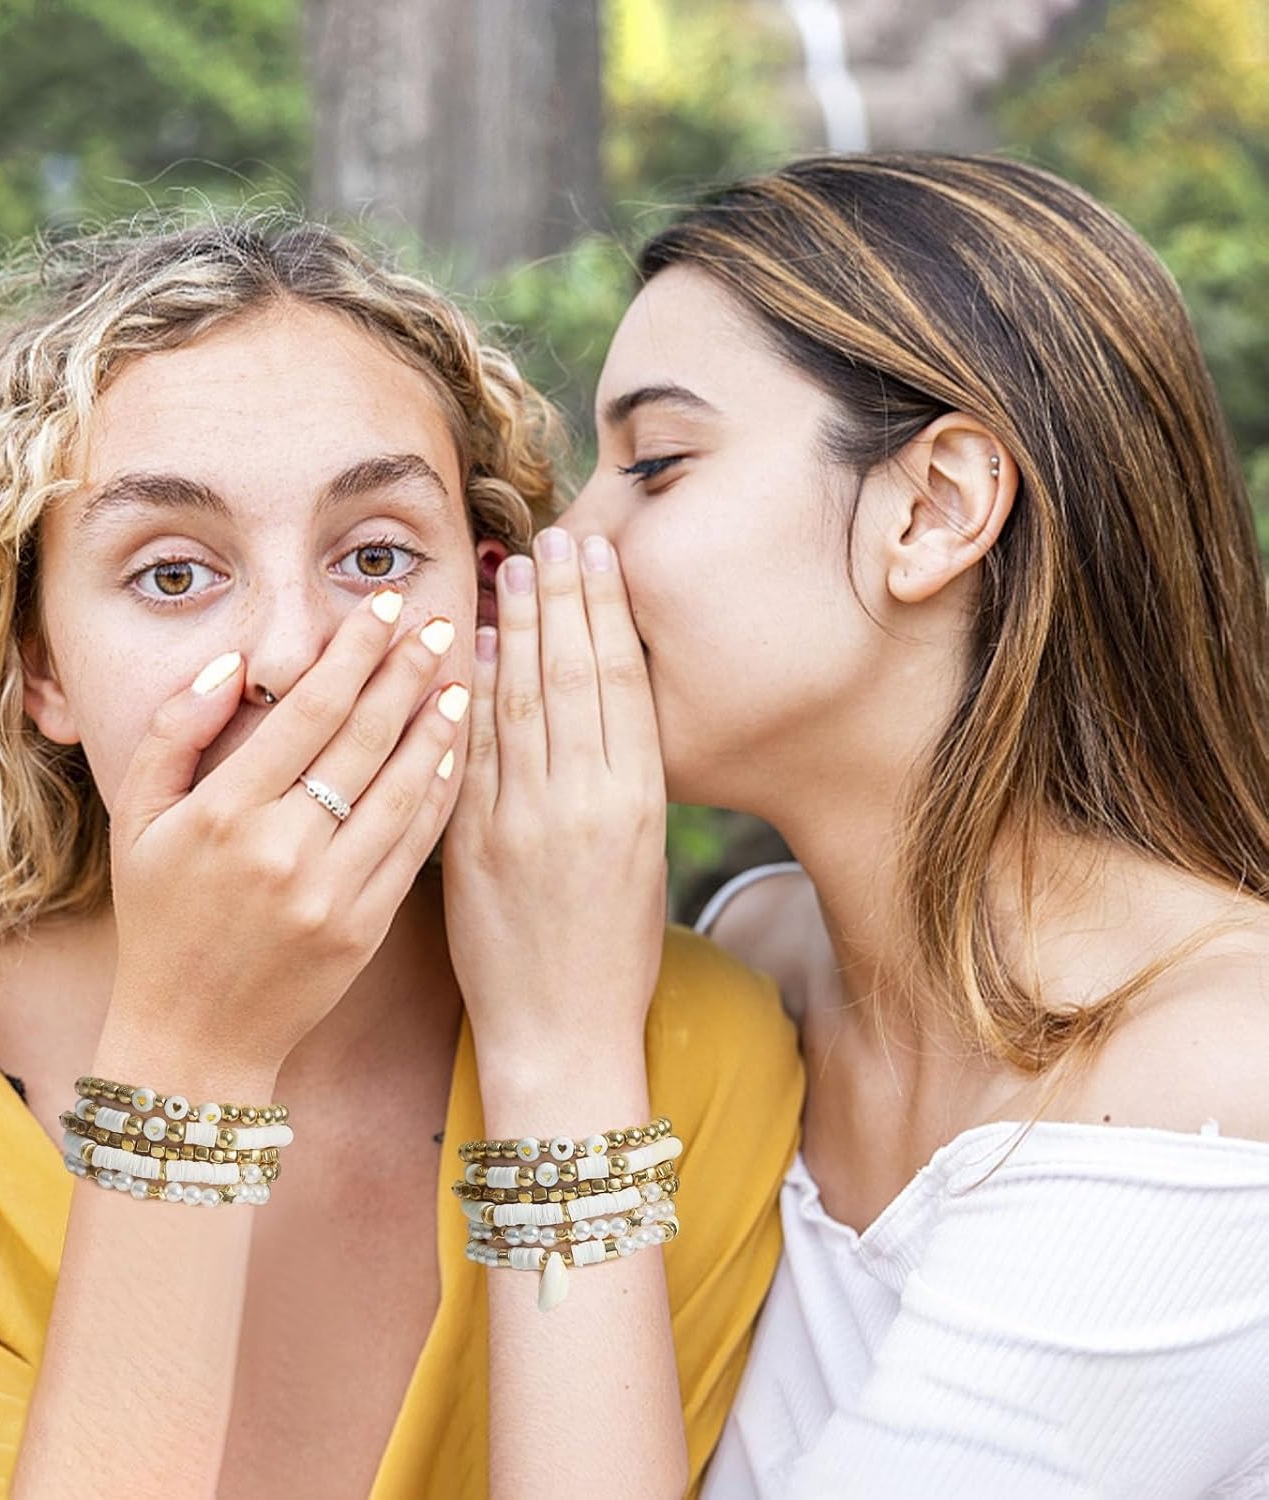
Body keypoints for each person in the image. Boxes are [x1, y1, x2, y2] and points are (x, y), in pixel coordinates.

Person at [0, 218, 803, 1498]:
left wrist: (575, 1054)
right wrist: (192, 1051)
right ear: (43, 668)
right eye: (173, 575)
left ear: (487, 605)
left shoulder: (692, 1055)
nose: (292, 655)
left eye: (375, 557)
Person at [471, 153, 1269, 1496]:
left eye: (656, 465)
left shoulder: (1214, 1080)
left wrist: (558, 1053)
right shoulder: (761, 956)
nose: (568, 547)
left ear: (935, 508)